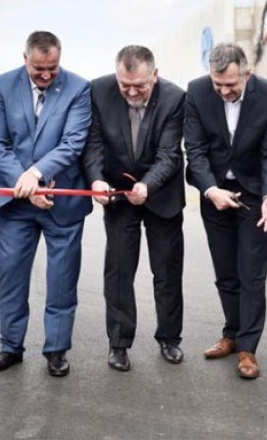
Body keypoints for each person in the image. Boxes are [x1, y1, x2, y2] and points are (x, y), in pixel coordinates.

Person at [0, 31, 92, 377]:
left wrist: (38, 174)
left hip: (63, 201)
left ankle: (57, 349)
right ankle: (10, 346)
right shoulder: (2, 86)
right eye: (39, 69)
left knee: (62, 278)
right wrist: (27, 184)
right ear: (25, 58)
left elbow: (73, 143)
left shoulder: (78, 88)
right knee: (11, 274)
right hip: (17, 202)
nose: (46, 75)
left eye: (53, 68)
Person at [184, 42, 267, 380]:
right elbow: (195, 149)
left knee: (252, 274)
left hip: (255, 195)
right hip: (215, 193)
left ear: (247, 73)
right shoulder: (198, 91)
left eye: (231, 85)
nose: (224, 91)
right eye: (218, 84)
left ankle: (248, 349)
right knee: (226, 273)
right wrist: (210, 189)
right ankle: (231, 333)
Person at [83, 45, 186, 372]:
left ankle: (169, 338)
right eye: (124, 84)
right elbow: (93, 144)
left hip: (162, 195)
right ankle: (118, 343)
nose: (130, 92)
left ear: (154, 75)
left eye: (139, 86)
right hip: (118, 194)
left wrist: (148, 185)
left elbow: (170, 154)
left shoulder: (174, 98)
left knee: (167, 273)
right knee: (118, 271)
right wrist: (96, 179)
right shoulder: (98, 91)